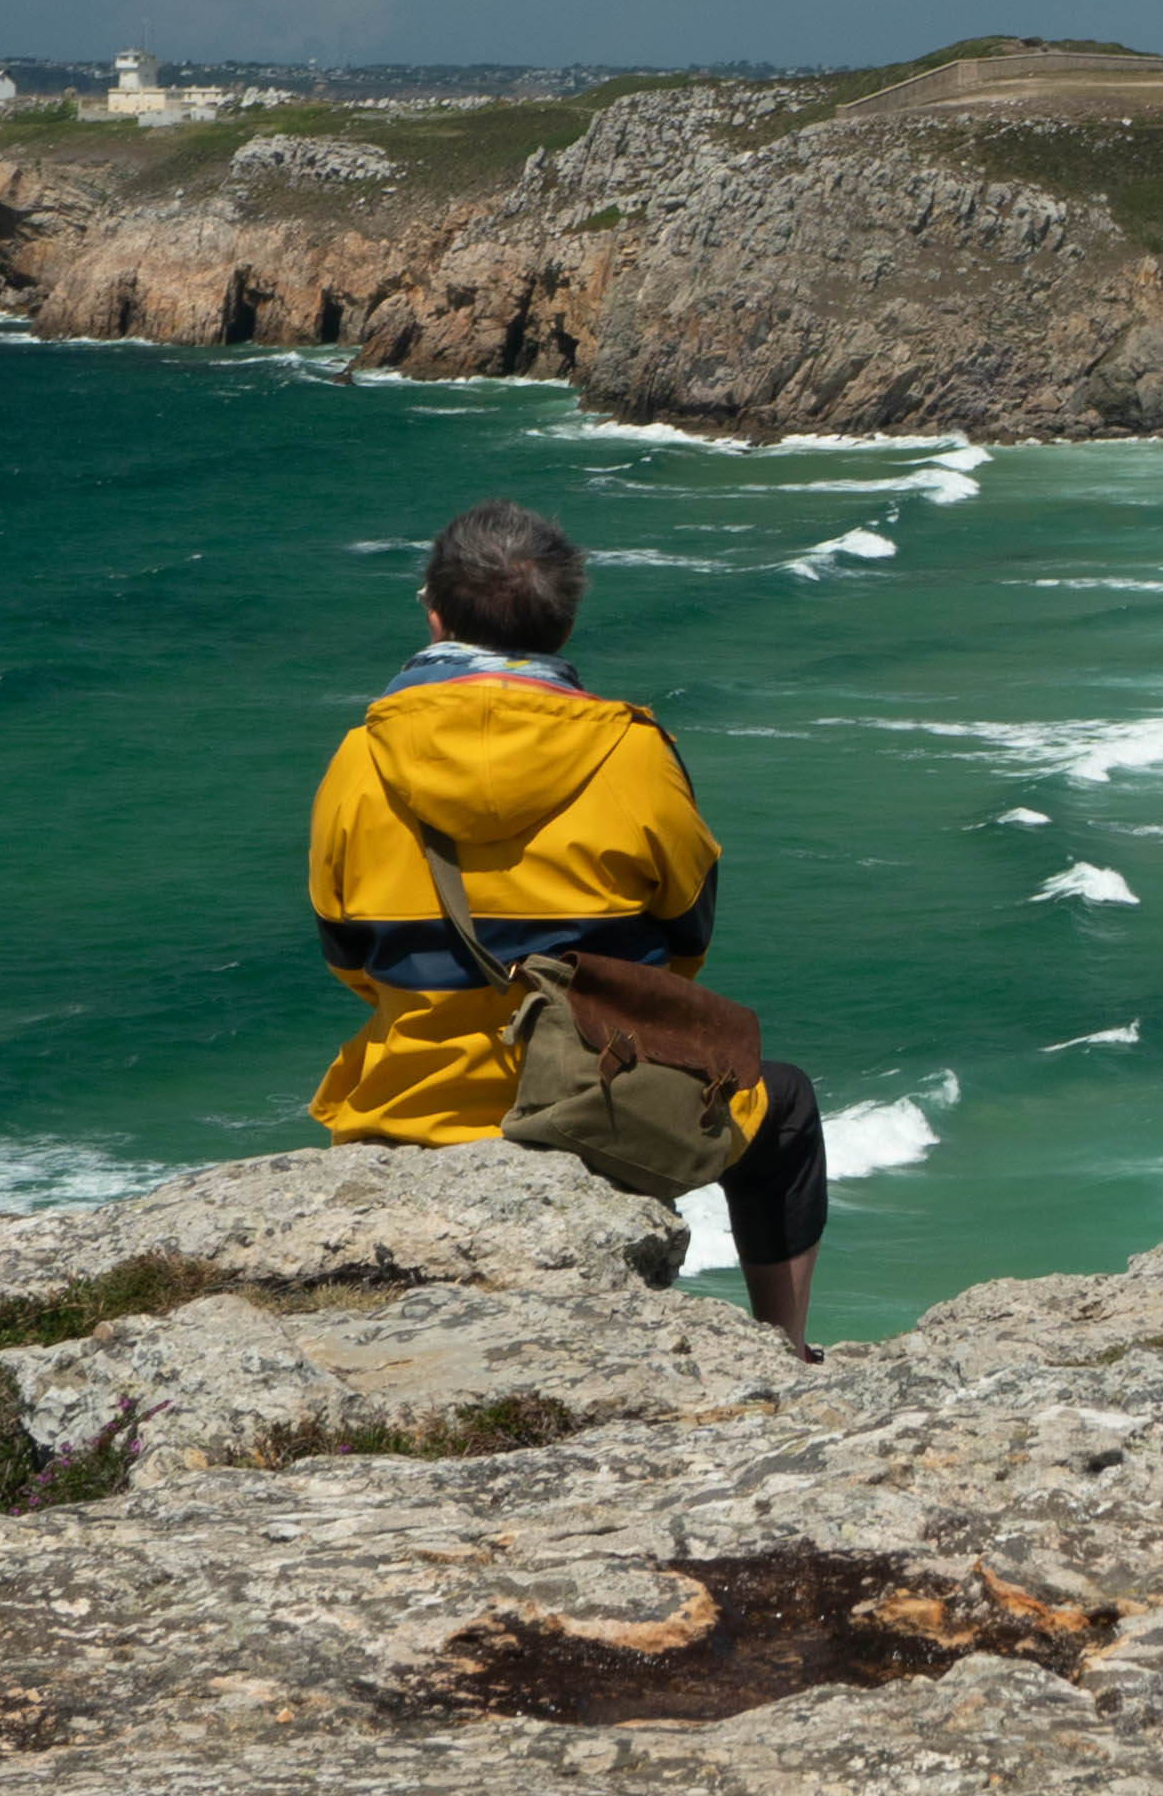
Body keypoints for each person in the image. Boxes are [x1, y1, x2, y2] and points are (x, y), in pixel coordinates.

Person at [305, 498, 833, 1355]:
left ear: (434, 612)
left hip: (410, 1108)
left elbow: (348, 957)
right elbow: (688, 940)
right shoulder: (632, 751)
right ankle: (782, 1350)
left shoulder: (360, 757)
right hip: (598, 1106)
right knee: (787, 1106)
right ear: (566, 616)